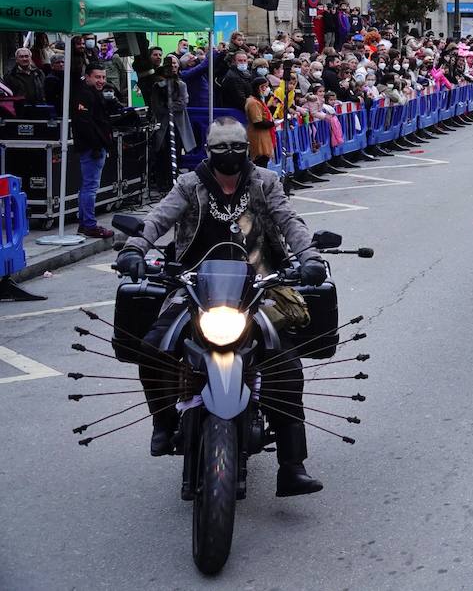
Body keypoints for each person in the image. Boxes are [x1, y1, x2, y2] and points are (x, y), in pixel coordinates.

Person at [116, 118, 328, 496]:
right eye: (221, 149)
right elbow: (158, 219)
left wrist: (309, 256)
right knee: (151, 348)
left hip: (258, 285)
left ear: (247, 149)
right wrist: (134, 248)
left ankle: (292, 466)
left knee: (286, 365)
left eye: (237, 148)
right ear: (209, 152)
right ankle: (163, 422)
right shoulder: (189, 184)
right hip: (193, 285)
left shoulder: (266, 181)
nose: (229, 155)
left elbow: (288, 220)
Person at [72, 64, 119, 239]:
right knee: (90, 187)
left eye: (103, 77)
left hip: (95, 146)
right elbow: (84, 123)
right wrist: (96, 146)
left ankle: (85, 224)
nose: (101, 81)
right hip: (91, 148)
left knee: (87, 187)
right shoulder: (84, 94)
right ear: (88, 77)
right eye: (97, 77)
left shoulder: (94, 93)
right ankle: (89, 225)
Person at [245, 76, 277, 167]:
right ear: (259, 87)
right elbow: (258, 122)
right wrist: (273, 123)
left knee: (264, 162)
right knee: (260, 163)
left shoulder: (259, 101)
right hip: (258, 138)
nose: (267, 89)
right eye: (265, 87)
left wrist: (273, 107)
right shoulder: (253, 102)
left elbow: (265, 116)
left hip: (264, 137)